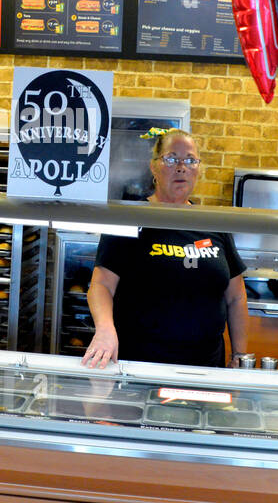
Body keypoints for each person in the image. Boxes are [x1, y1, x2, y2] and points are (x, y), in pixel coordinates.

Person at [84, 129, 248, 368]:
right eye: (171, 159)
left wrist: (240, 355)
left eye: (190, 160)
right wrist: (105, 329)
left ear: (198, 169)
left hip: (205, 369)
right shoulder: (130, 218)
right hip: (139, 366)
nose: (181, 167)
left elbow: (236, 296)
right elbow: (101, 285)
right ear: (154, 167)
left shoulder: (214, 222)